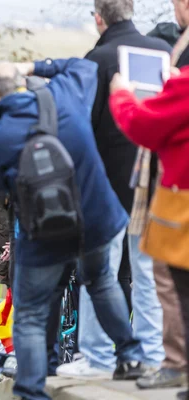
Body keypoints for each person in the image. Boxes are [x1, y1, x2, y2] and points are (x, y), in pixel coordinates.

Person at [0, 59, 144, 399]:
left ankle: (32, 392)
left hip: (45, 232)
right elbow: (84, 67)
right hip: (97, 218)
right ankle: (130, 355)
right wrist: (35, 65)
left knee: (33, 314)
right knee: (101, 281)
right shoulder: (65, 93)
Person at [55, 0, 170, 380]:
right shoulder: (163, 52)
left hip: (106, 189)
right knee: (149, 275)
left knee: (99, 275)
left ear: (98, 18)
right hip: (155, 184)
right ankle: (152, 354)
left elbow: (81, 127)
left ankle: (99, 356)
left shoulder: (98, 58)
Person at [109, 56, 189, 400]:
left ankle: (175, 365)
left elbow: (142, 125)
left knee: (173, 287)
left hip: (180, 203)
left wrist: (122, 95)